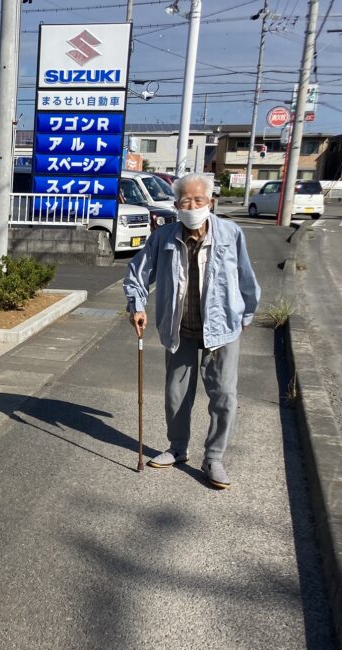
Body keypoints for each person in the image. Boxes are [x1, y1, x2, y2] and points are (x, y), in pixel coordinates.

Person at [123, 172, 260, 489]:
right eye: (186, 200)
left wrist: (247, 312)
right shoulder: (164, 237)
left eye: (199, 200)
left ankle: (214, 458)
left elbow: (246, 276)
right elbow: (138, 273)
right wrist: (137, 305)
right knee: (176, 395)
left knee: (224, 396)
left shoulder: (230, 233)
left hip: (222, 328)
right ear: (176, 205)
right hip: (179, 327)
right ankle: (177, 448)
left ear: (211, 202)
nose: (193, 205)